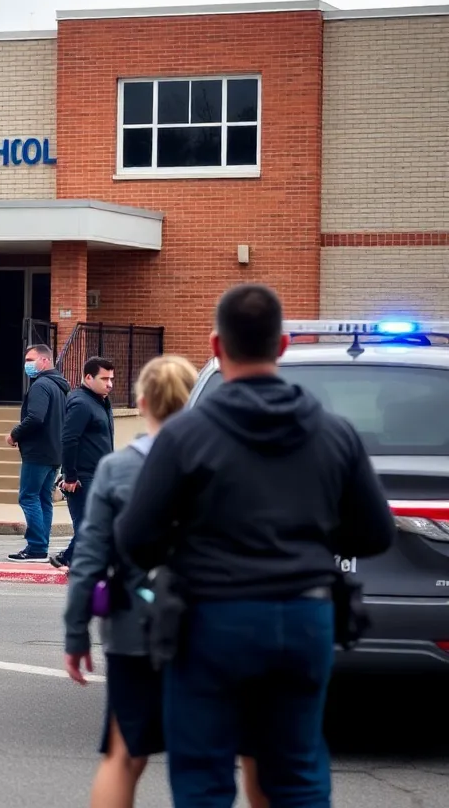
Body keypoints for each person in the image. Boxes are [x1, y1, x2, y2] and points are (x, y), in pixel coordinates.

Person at [115, 283, 396, 806]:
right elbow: (376, 533)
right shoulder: (335, 434)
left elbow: (135, 538)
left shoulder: (184, 436)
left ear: (217, 347)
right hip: (305, 617)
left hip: (208, 620)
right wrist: (311, 537)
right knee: (298, 772)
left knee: (203, 775)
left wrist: (187, 546)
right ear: (282, 347)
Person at [62, 355, 268, 808]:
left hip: (136, 628)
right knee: (245, 753)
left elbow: (90, 560)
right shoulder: (227, 461)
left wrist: (76, 632)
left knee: (124, 754)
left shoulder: (118, 469)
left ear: (142, 403)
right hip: (211, 624)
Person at [6, 342, 70, 561]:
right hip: (54, 451)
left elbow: (35, 417)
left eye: (30, 360)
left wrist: (14, 434)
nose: (27, 364)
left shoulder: (41, 385)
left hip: (39, 451)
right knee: (44, 498)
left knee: (29, 497)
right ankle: (41, 546)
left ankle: (36, 546)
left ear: (45, 360)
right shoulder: (60, 386)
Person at [52, 356, 116, 571]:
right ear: (88, 377)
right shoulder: (81, 402)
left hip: (99, 474)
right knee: (90, 523)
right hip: (82, 476)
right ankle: (72, 560)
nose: (109, 384)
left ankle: (67, 558)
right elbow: (69, 439)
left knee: (94, 522)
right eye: (104, 378)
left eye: (111, 379)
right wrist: (70, 475)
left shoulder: (101, 401)